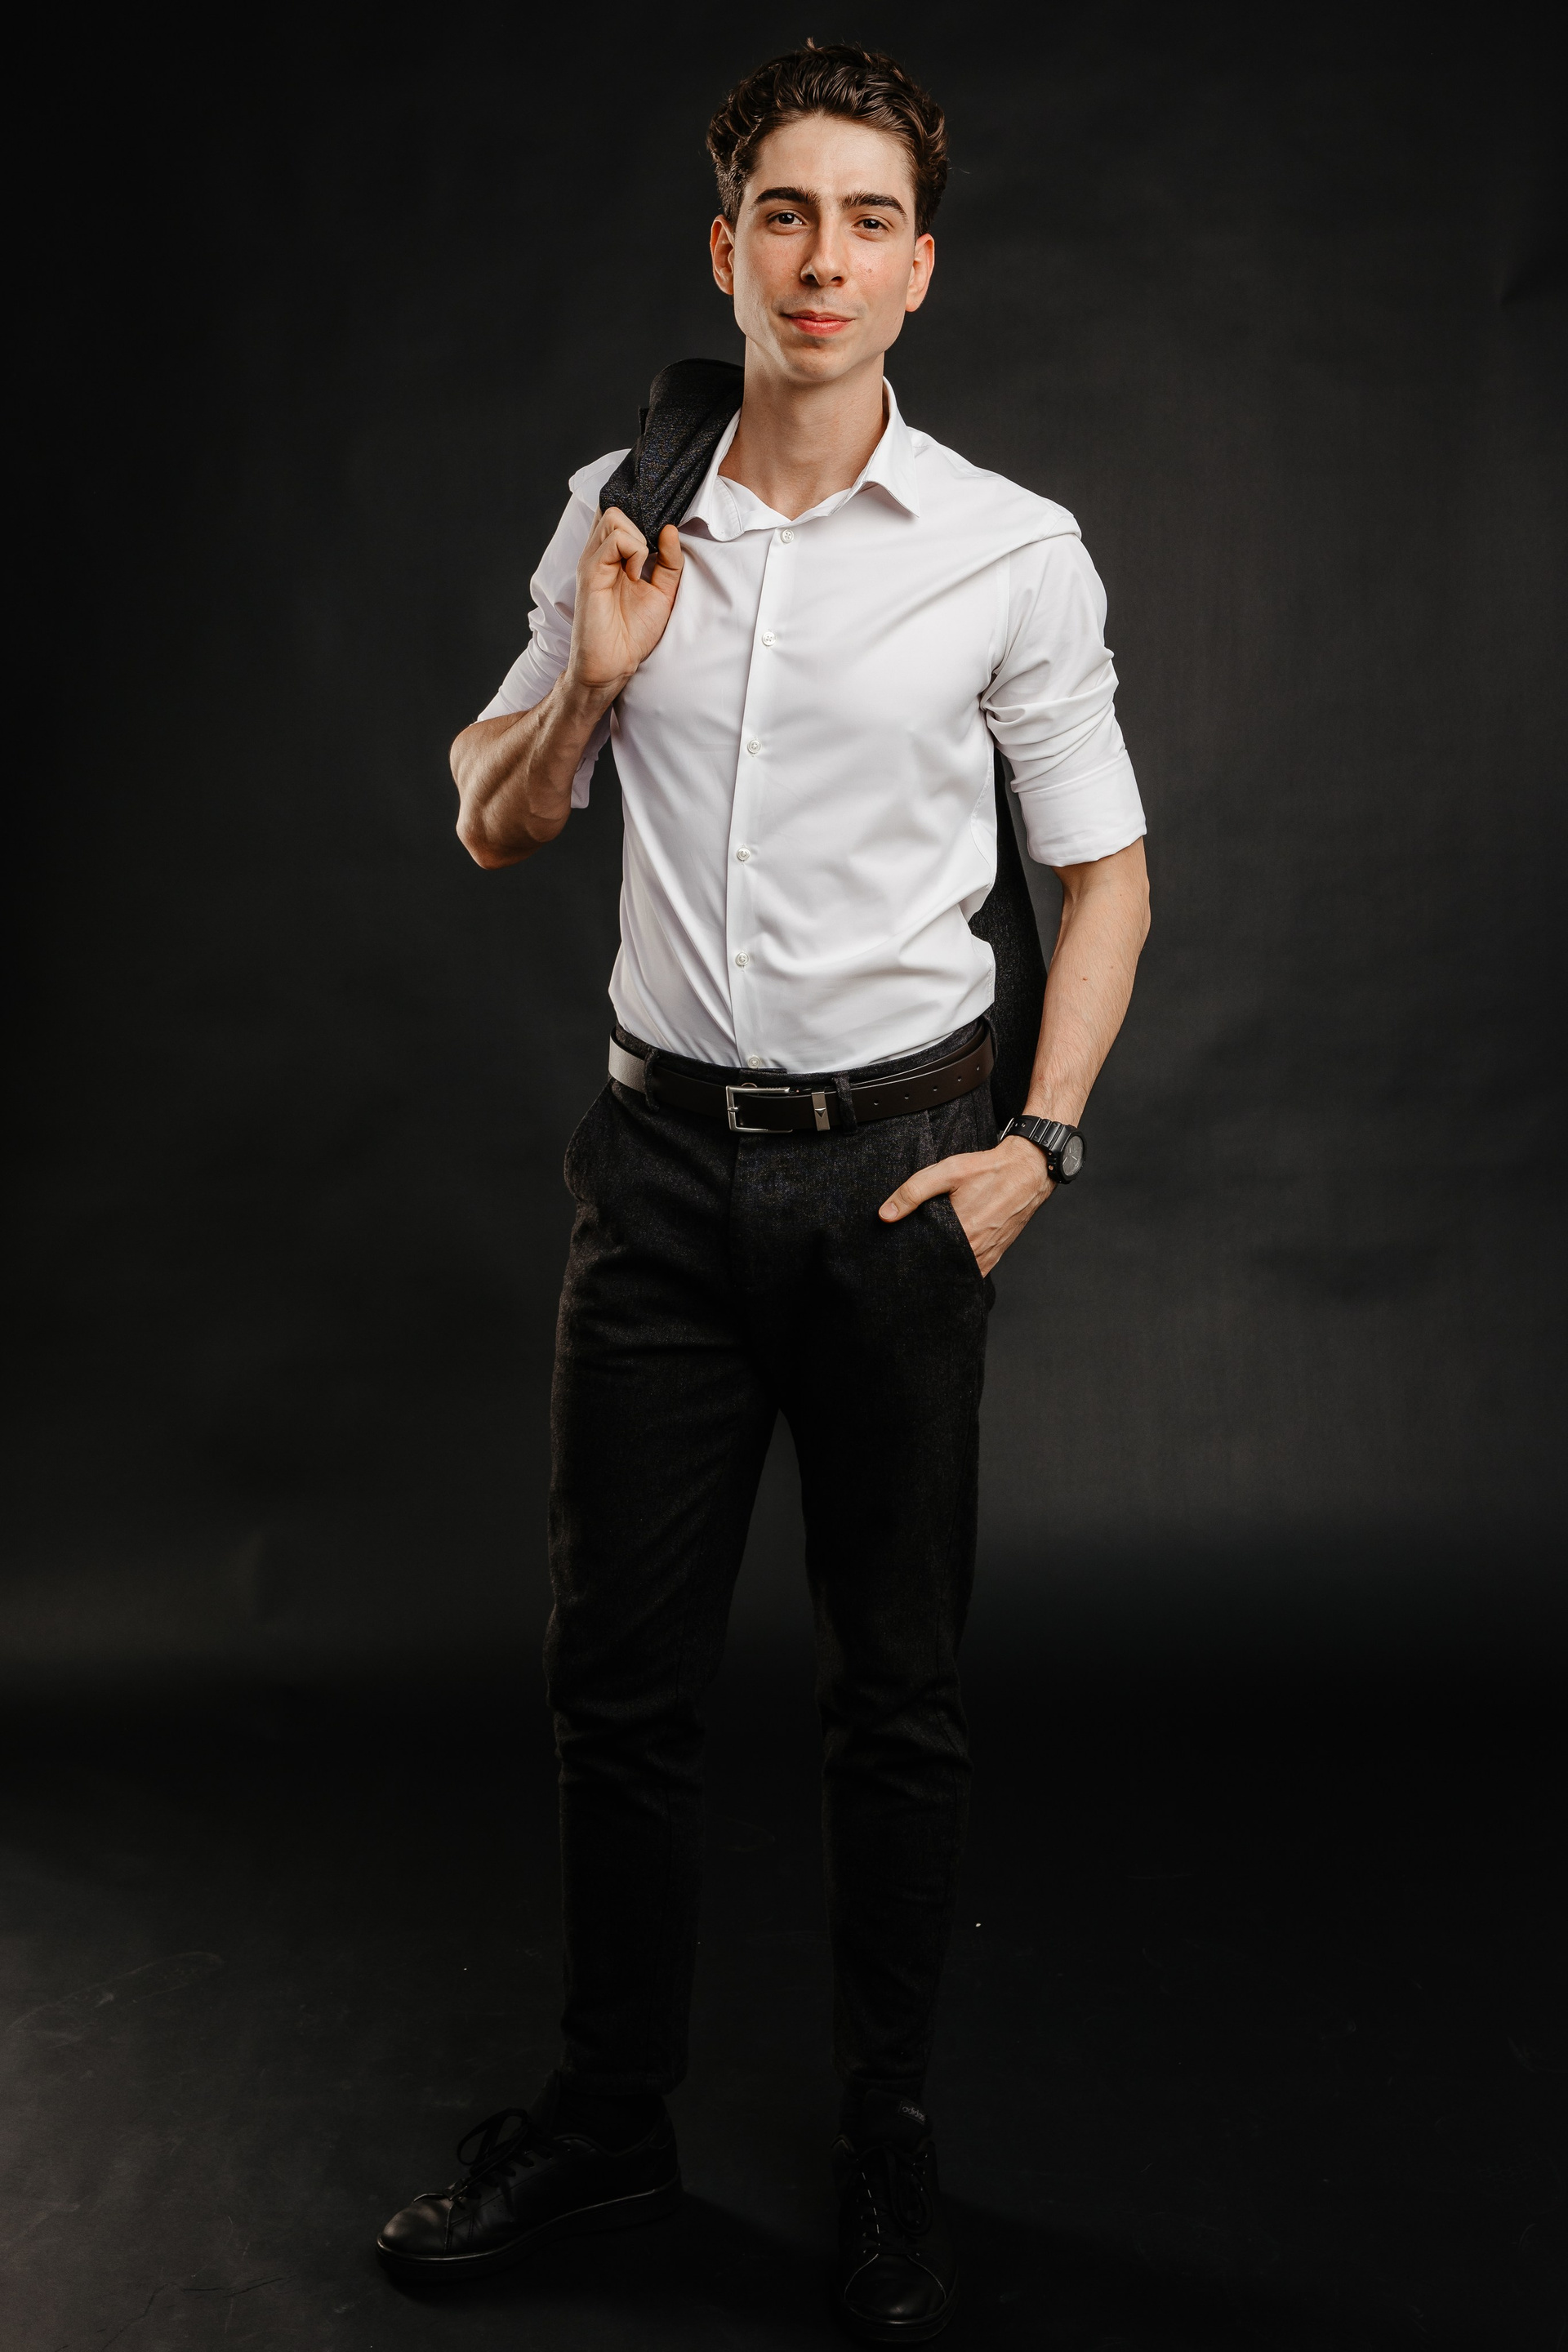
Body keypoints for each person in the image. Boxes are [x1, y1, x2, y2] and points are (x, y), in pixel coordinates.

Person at [377, 42, 1150, 2343]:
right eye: (784, 216)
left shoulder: (1010, 551)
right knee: (617, 1689)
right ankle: (610, 2119)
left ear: (921, 269)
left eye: (868, 220)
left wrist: (1041, 1148)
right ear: (725, 251)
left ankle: (888, 2141)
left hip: (902, 1182)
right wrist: (595, 683)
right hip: (657, 1181)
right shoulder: (618, 508)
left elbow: (1103, 878)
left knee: (893, 1698)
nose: (824, 259)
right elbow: (495, 821)